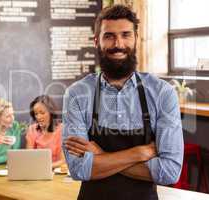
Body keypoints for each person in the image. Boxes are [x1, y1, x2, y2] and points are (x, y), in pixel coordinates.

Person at [62, 5, 183, 200]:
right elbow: (79, 169)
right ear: (96, 41)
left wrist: (100, 156)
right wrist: (140, 152)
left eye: (126, 34)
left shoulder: (162, 93)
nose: (118, 43)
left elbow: (169, 172)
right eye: (109, 36)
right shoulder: (77, 94)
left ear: (136, 39)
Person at [26, 95, 65, 168]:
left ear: (51, 112)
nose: (39, 117)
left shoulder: (62, 129)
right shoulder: (32, 129)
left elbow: (63, 161)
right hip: (37, 171)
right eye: (36, 114)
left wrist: (44, 167)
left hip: (57, 172)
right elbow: (28, 157)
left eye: (42, 113)